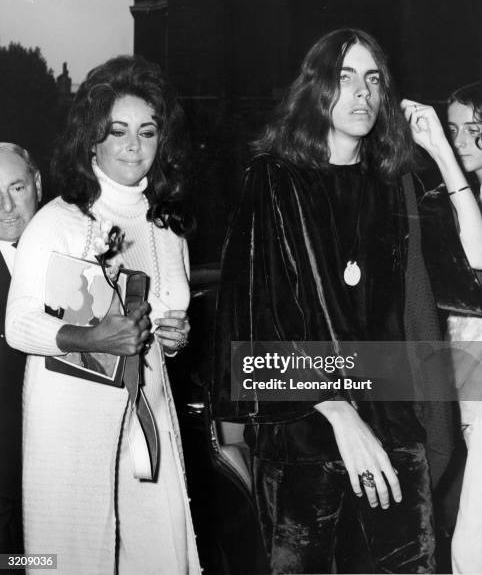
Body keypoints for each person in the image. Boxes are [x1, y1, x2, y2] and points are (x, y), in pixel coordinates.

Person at [213, 28, 456, 574]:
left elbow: (461, 275)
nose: (362, 93)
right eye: (345, 78)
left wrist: (441, 151)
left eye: (373, 79)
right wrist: (340, 413)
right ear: (316, 89)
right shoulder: (273, 179)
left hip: (391, 428)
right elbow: (249, 329)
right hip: (306, 430)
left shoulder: (392, 185)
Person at [6, 56, 201, 574]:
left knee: (158, 550)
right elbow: (19, 324)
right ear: (92, 139)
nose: (134, 146)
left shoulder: (169, 223)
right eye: (117, 132)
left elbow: (167, 325)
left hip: (148, 408)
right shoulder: (60, 220)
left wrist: (174, 336)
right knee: (71, 557)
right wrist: (91, 336)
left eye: (147, 131)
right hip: (71, 417)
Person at [419, 82, 482, 574]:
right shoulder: (442, 200)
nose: (460, 141)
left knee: (471, 542)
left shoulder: (454, 190)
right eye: (453, 131)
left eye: (473, 131)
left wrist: (441, 153)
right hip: (462, 371)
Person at [0, 143, 41, 561]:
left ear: (37, 185)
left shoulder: (75, 251)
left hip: (58, 466)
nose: (6, 207)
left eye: (16, 187)